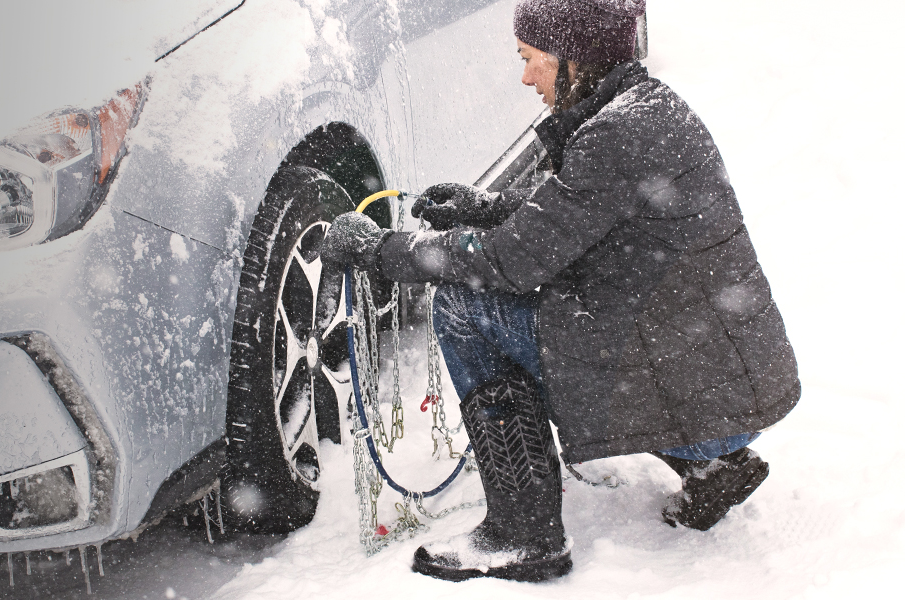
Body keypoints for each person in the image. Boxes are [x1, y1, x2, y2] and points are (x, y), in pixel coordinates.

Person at [320, 0, 800, 584]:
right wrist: (488, 207)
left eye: (532, 61)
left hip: (706, 397)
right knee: (594, 322)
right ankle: (712, 465)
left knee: (463, 304)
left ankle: (524, 535)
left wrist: (378, 250)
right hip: (722, 388)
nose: (525, 78)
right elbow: (587, 215)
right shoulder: (647, 109)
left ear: (575, 59)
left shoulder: (617, 134)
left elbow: (511, 263)